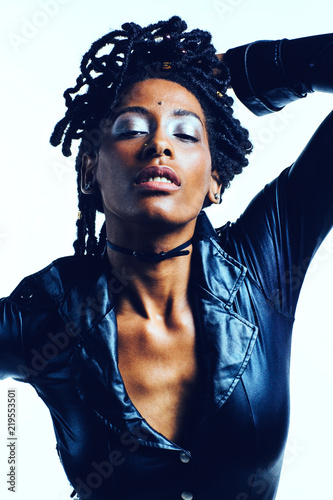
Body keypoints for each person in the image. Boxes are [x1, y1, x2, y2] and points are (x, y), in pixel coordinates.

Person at [0, 15, 332, 500]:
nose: (159, 145)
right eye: (132, 129)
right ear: (90, 171)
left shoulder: (266, 263)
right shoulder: (49, 311)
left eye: (186, 133)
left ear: (215, 180)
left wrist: (249, 70)